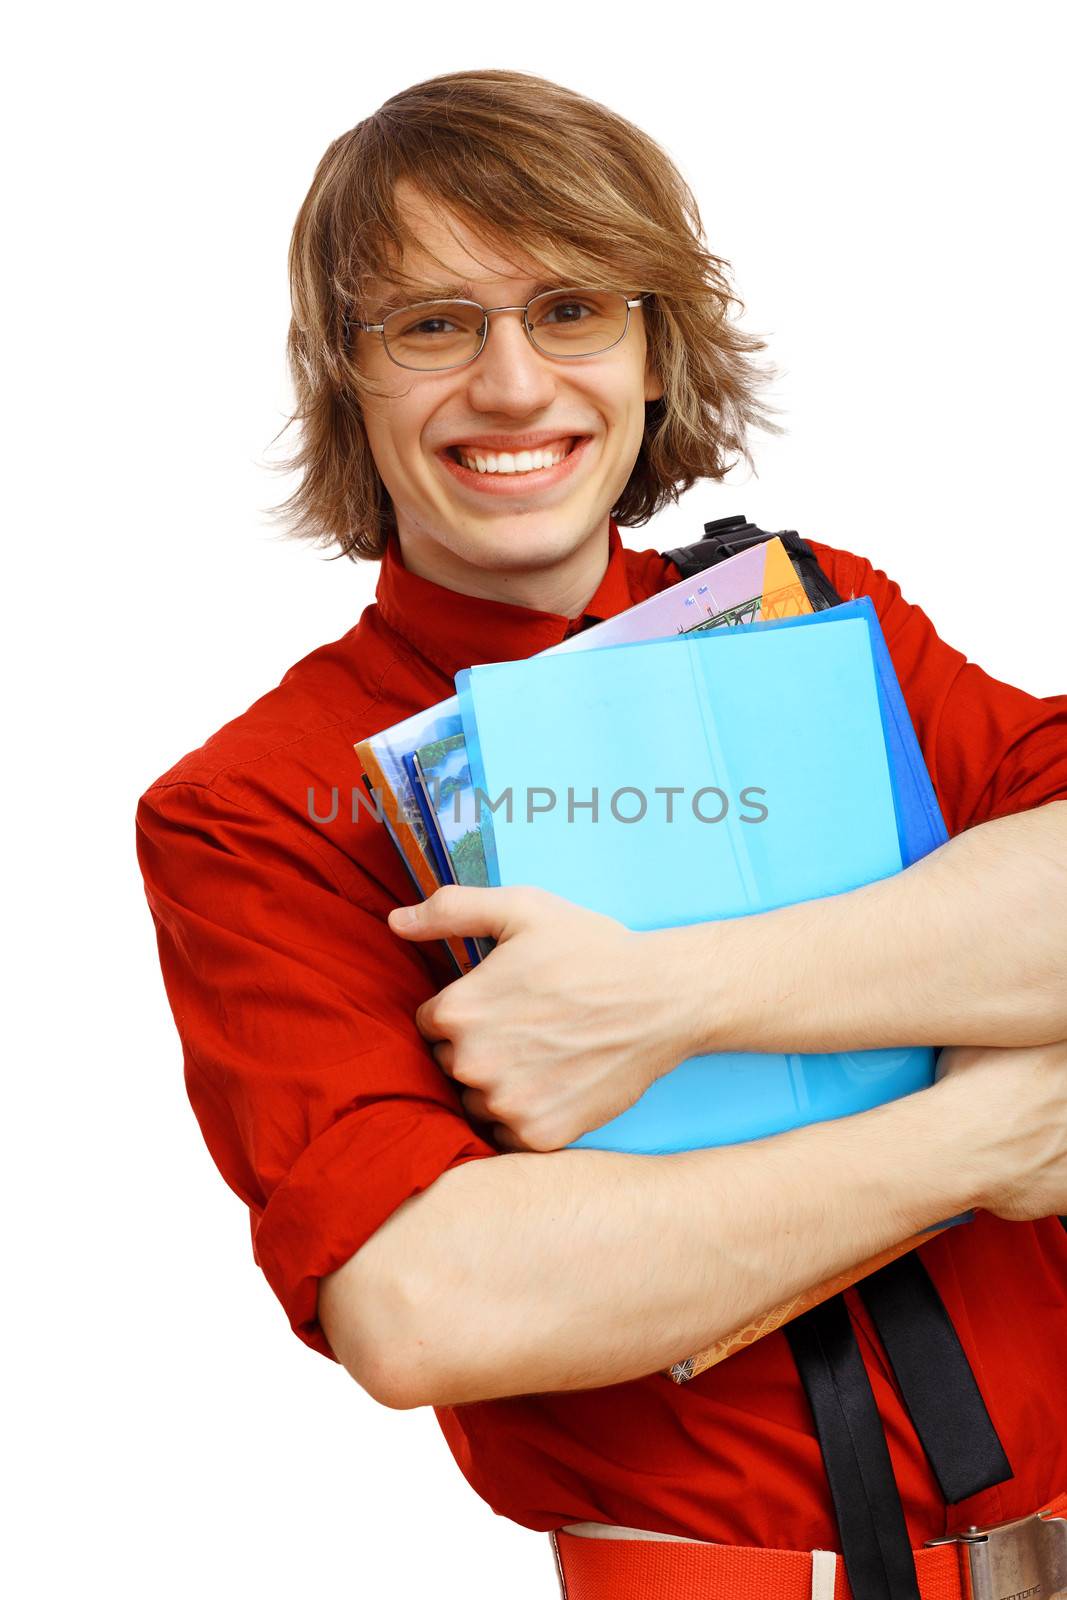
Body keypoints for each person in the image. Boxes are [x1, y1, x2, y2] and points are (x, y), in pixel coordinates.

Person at [135, 68, 1067, 1598]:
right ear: (345, 376)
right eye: (433, 325)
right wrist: (978, 1136)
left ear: (652, 352)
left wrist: (667, 999)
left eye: (572, 309)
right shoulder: (257, 800)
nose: (512, 387)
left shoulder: (824, 619)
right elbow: (430, 1303)